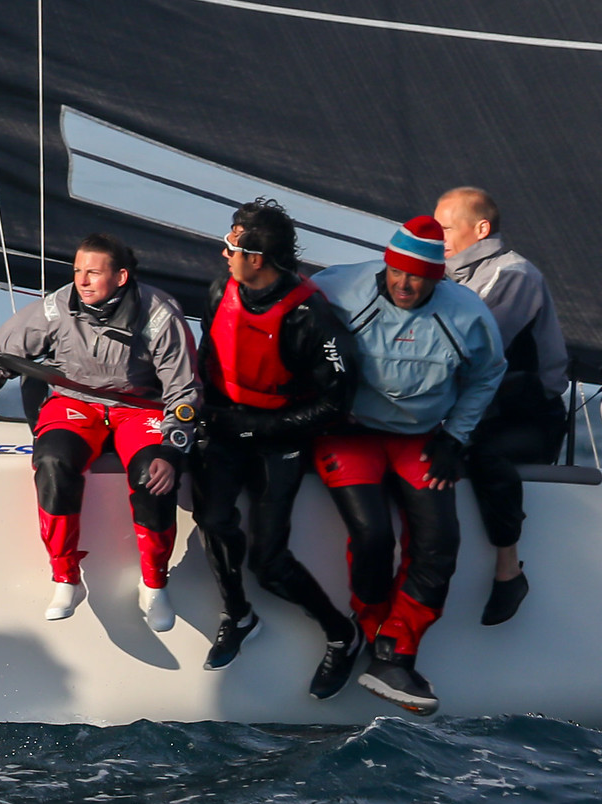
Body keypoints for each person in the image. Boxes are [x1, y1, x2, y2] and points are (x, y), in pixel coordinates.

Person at [0, 235, 202, 630]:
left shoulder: (159, 315)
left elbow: (183, 391)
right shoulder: (57, 307)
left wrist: (172, 450)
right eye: (78, 271)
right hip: (76, 403)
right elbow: (4, 353)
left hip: (139, 408)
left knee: (151, 475)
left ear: (121, 277)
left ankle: (154, 583)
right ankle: (66, 577)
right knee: (52, 460)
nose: (82, 281)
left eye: (93, 273)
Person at [309, 217, 505, 715]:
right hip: (349, 432)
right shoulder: (336, 288)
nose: (403, 284)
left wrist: (455, 437)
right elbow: (287, 325)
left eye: (416, 277)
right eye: (396, 272)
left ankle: (396, 651)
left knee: (440, 540)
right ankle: (368, 629)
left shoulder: (467, 314)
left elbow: (488, 374)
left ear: (437, 278)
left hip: (419, 435)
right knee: (372, 534)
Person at [190, 200, 363, 698]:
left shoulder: (311, 316)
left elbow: (336, 401)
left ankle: (341, 634)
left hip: (278, 437)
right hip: (225, 426)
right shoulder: (219, 290)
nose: (223, 254)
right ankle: (238, 614)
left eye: (231, 246)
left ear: (257, 258)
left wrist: (262, 427)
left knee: (268, 564)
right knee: (213, 519)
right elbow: (208, 357)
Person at [435, 186, 570, 625]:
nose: (437, 236)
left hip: (527, 415)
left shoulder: (514, 275)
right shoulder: (440, 279)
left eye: (445, 228)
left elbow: (472, 347)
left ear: (481, 229)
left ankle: (508, 571)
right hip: (479, 410)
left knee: (482, 454)